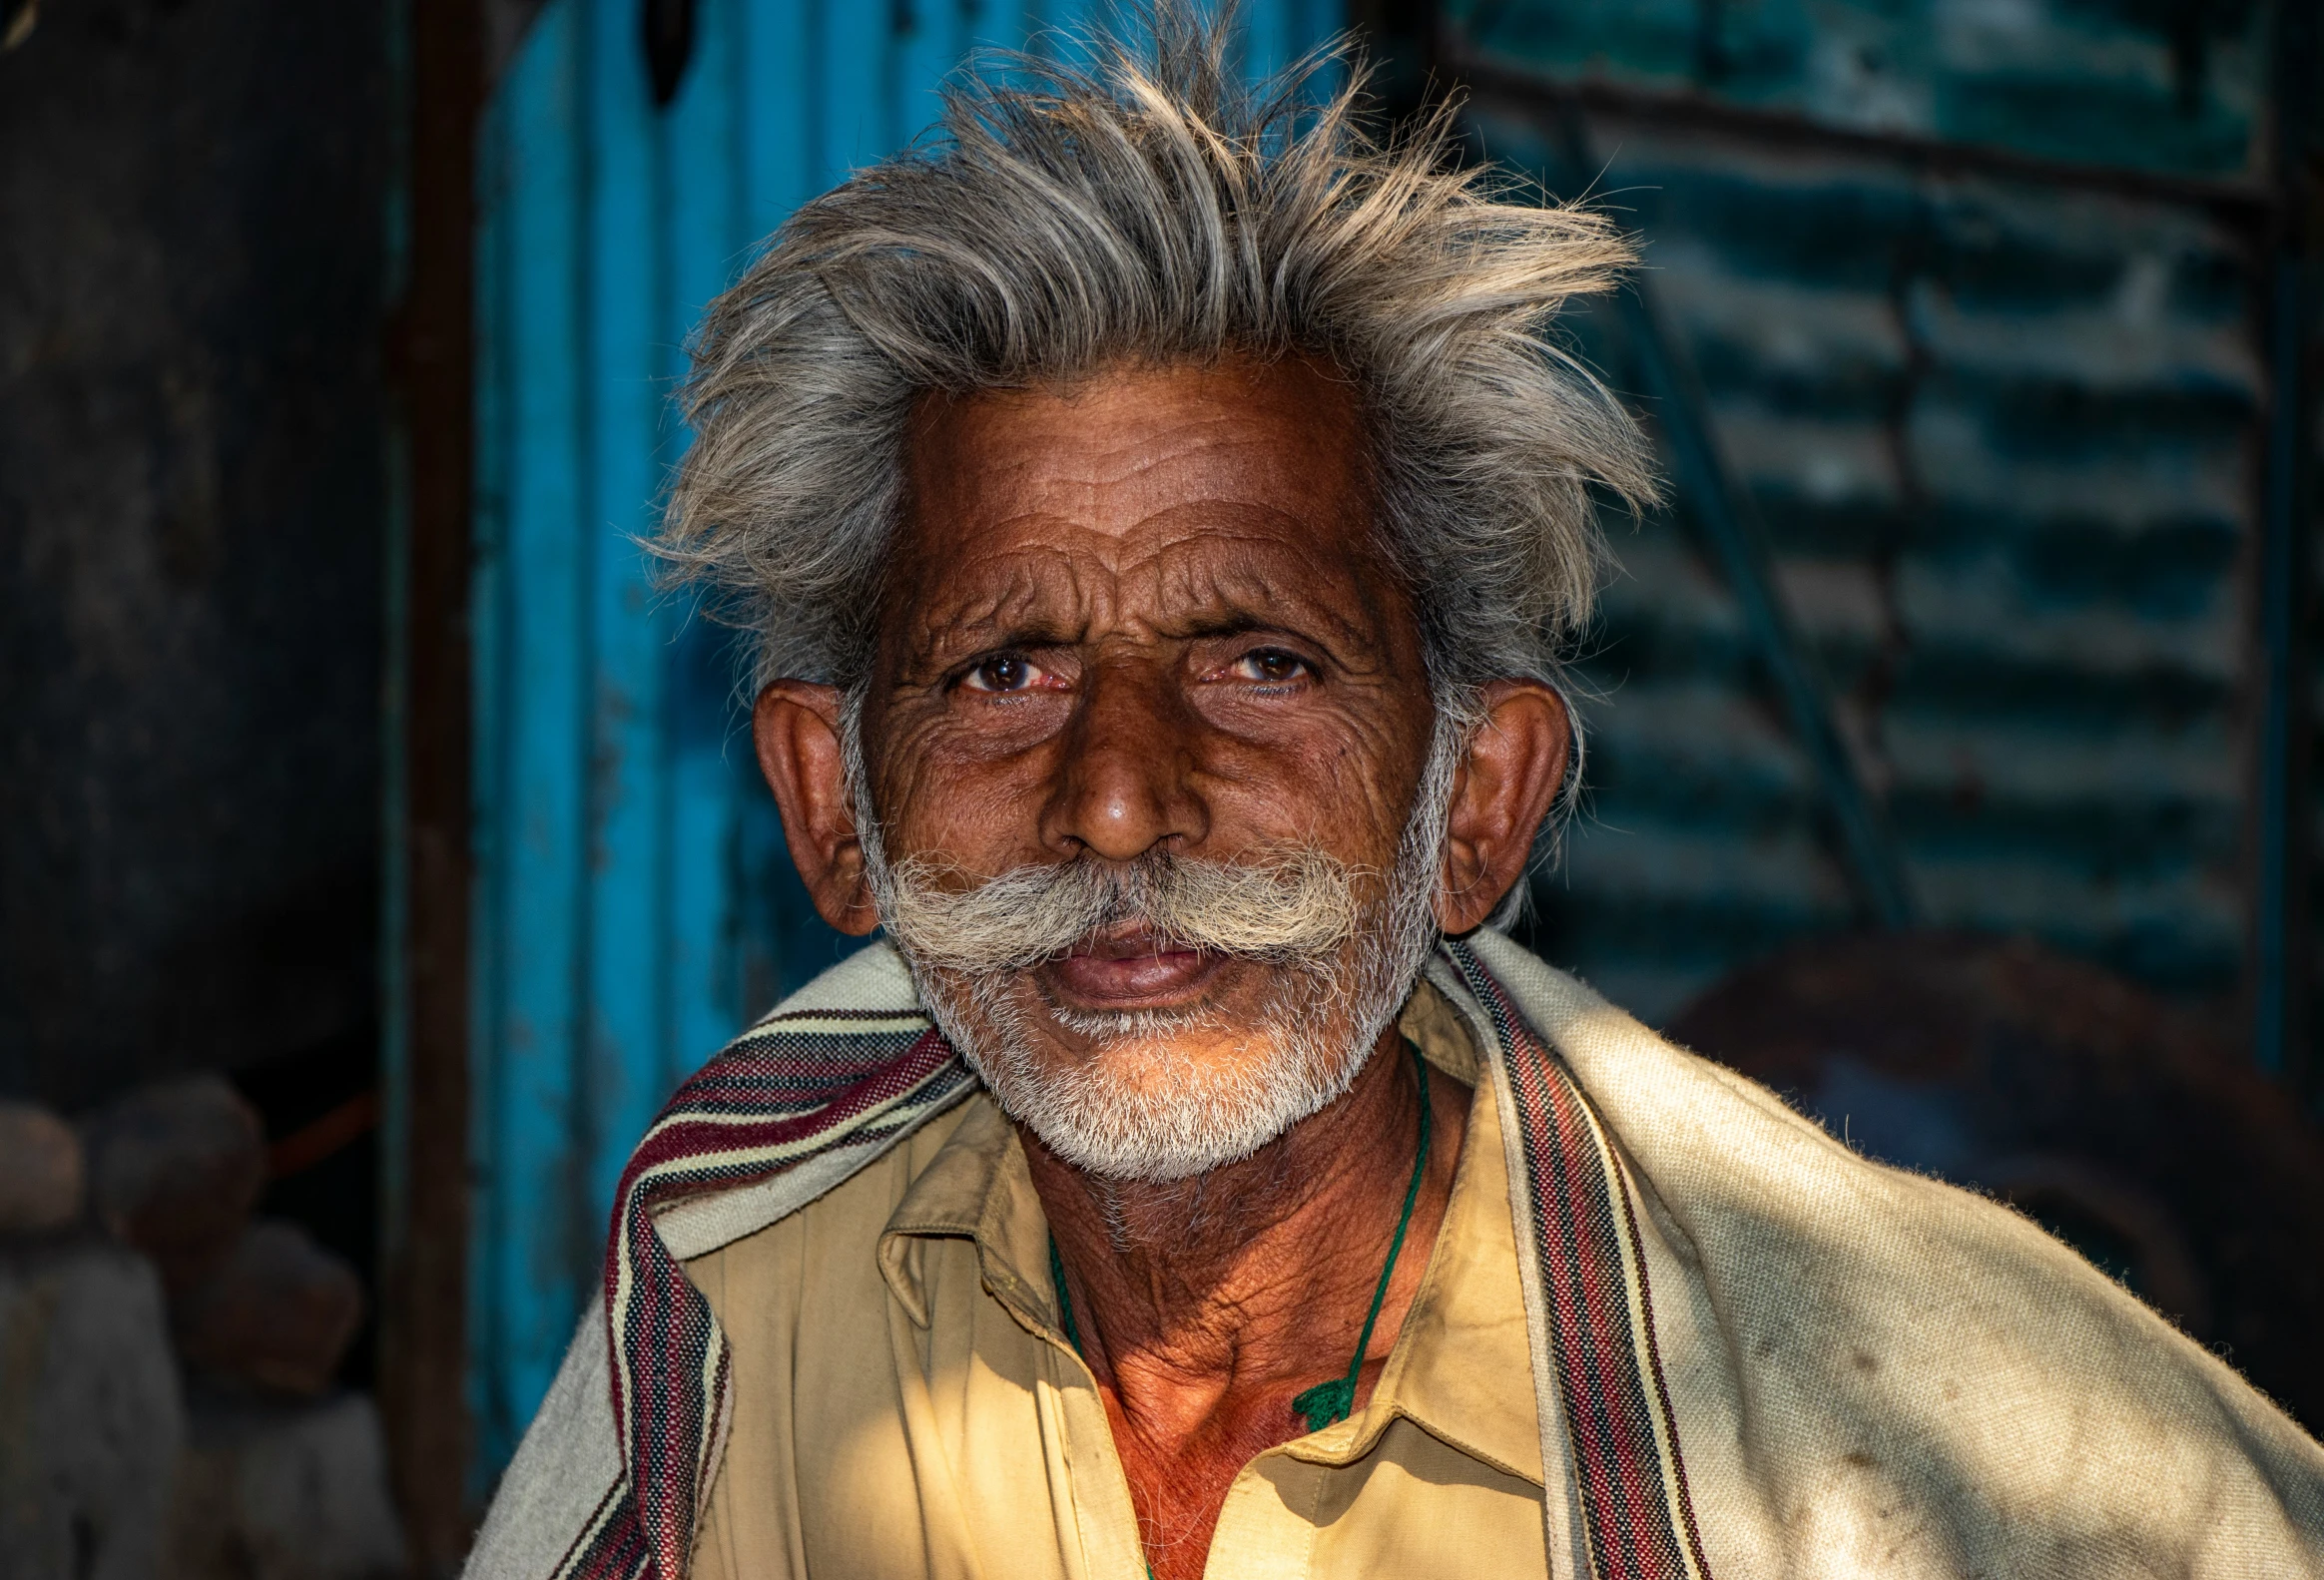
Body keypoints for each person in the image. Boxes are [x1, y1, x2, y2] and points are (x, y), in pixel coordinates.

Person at [464, 12, 2324, 1579]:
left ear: (1477, 805)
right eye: (1003, 670)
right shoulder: (735, 1289)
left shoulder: (1949, 1439)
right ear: (831, 803)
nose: (1118, 805)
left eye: (1262, 663)